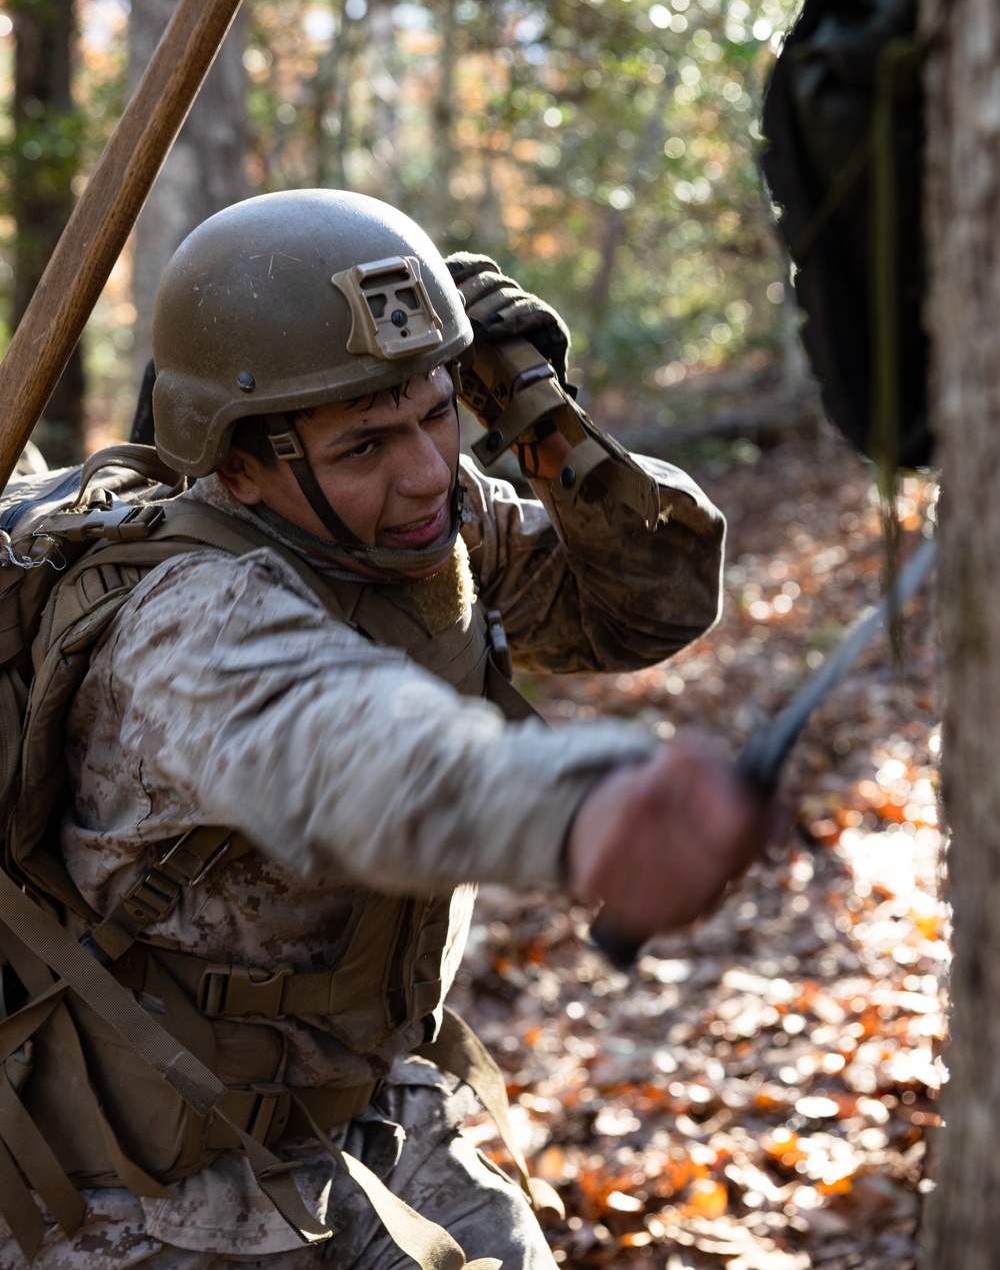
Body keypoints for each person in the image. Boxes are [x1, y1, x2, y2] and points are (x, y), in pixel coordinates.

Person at [0, 190, 756, 1270]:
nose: (426, 471)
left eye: (435, 410)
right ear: (238, 466)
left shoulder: (417, 531)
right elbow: (361, 753)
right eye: (364, 443)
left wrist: (542, 420)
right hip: (144, 1192)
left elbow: (650, 602)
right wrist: (583, 808)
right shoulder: (183, 620)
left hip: (363, 1105)